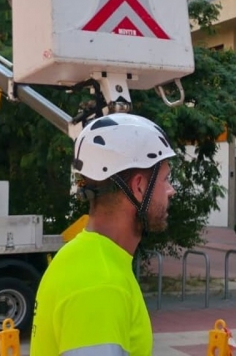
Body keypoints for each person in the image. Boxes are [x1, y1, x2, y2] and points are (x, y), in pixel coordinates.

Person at [30, 113, 177, 356]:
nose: (171, 190)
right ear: (139, 187)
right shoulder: (101, 285)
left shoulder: (82, 257)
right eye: (166, 179)